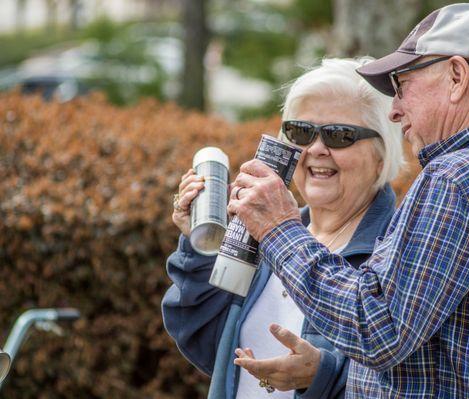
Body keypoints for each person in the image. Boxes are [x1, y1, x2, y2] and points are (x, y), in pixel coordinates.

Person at [229, 3, 469, 398]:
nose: (394, 111)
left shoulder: (457, 178)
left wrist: (279, 228)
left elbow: (377, 327)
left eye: (402, 87)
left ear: (456, 76)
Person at [161, 57, 404, 398]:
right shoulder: (259, 235)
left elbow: (417, 373)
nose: (316, 149)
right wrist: (201, 246)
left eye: (339, 135)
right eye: (301, 132)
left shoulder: (400, 246)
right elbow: (206, 343)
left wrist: (322, 374)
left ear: (383, 152)